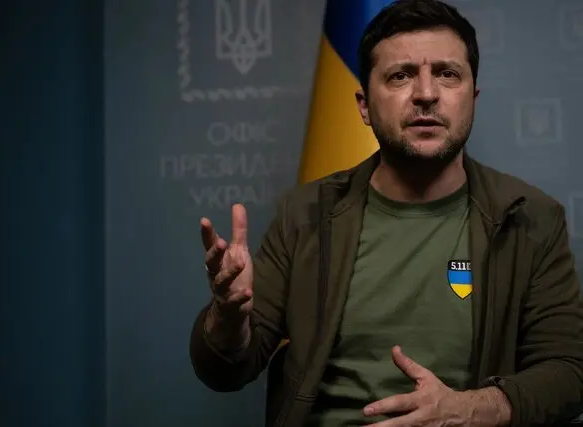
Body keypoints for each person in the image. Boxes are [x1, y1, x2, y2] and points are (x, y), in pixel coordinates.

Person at [189, 0, 583, 426]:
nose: (426, 94)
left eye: (447, 74)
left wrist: (466, 410)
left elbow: (570, 373)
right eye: (401, 76)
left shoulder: (530, 219)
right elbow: (225, 371)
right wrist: (227, 319)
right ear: (363, 105)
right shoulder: (304, 215)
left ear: (472, 97)